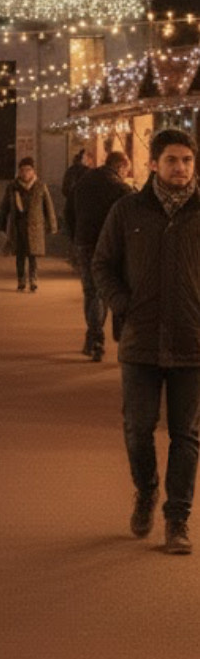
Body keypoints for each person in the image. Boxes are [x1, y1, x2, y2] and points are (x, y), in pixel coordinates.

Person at [93, 129, 200, 555]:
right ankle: (147, 490)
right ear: (153, 164)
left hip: (193, 341)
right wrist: (123, 305)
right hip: (140, 340)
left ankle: (177, 519)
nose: (181, 168)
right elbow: (102, 264)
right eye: (172, 160)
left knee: (186, 435)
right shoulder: (127, 211)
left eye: (188, 160)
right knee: (137, 429)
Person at [68, 150, 131, 361]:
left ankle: (94, 337)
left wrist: (75, 237)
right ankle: (111, 338)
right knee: (111, 289)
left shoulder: (84, 181)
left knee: (91, 291)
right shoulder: (121, 188)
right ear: (121, 167)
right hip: (111, 246)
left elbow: (69, 211)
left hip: (84, 242)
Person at [0, 157, 58, 292]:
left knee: (33, 256)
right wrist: (0, 224)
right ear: (19, 171)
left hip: (35, 227)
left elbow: (48, 207)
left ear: (33, 171)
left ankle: (33, 280)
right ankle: (21, 280)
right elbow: (4, 206)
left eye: (28, 170)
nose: (25, 173)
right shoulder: (13, 187)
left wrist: (52, 225)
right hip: (18, 226)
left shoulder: (40, 186)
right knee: (19, 255)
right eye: (22, 170)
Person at [61, 148, 94, 221]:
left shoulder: (70, 171)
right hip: (84, 207)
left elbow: (64, 189)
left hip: (70, 206)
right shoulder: (88, 172)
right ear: (85, 159)